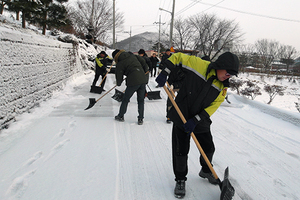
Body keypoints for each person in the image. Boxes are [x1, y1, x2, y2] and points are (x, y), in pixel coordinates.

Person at [155, 52, 239, 198]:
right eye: (228, 72)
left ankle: (206, 170)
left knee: (208, 148)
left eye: (232, 75)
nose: (228, 76)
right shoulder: (198, 65)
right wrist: (165, 72)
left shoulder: (223, 87)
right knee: (181, 151)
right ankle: (180, 180)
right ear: (220, 66)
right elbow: (177, 57)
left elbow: (214, 106)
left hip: (200, 120)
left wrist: (196, 120)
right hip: (182, 114)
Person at [112, 49, 149, 125]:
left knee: (125, 99)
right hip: (142, 79)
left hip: (133, 82)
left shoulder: (120, 63)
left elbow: (119, 75)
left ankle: (120, 116)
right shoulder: (132, 56)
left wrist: (118, 83)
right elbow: (142, 61)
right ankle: (140, 119)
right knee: (141, 100)